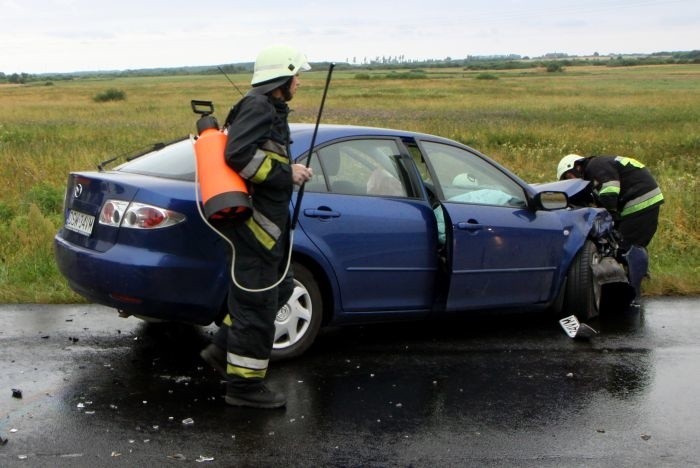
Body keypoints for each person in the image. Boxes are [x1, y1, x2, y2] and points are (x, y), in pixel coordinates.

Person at [200, 44, 313, 408]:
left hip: (268, 229)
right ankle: (245, 388)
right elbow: (238, 155)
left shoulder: (266, 108)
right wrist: (286, 173)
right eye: (296, 75)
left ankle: (221, 352)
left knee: (277, 293)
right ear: (282, 78)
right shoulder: (259, 107)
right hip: (257, 229)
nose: (299, 82)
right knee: (257, 307)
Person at [556, 154, 664, 304]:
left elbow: (610, 189)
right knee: (625, 244)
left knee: (627, 246)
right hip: (641, 201)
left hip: (640, 202)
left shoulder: (595, 165)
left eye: (569, 176)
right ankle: (634, 283)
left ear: (577, 166)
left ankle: (634, 293)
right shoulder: (597, 167)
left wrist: (609, 214)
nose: (571, 180)